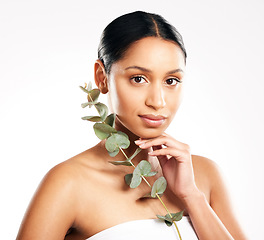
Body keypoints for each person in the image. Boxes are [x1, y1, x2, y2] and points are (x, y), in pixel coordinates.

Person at [17, 11, 247, 240]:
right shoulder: (67, 184)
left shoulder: (205, 176)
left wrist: (192, 197)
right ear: (101, 77)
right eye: (138, 79)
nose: (157, 101)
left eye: (171, 81)